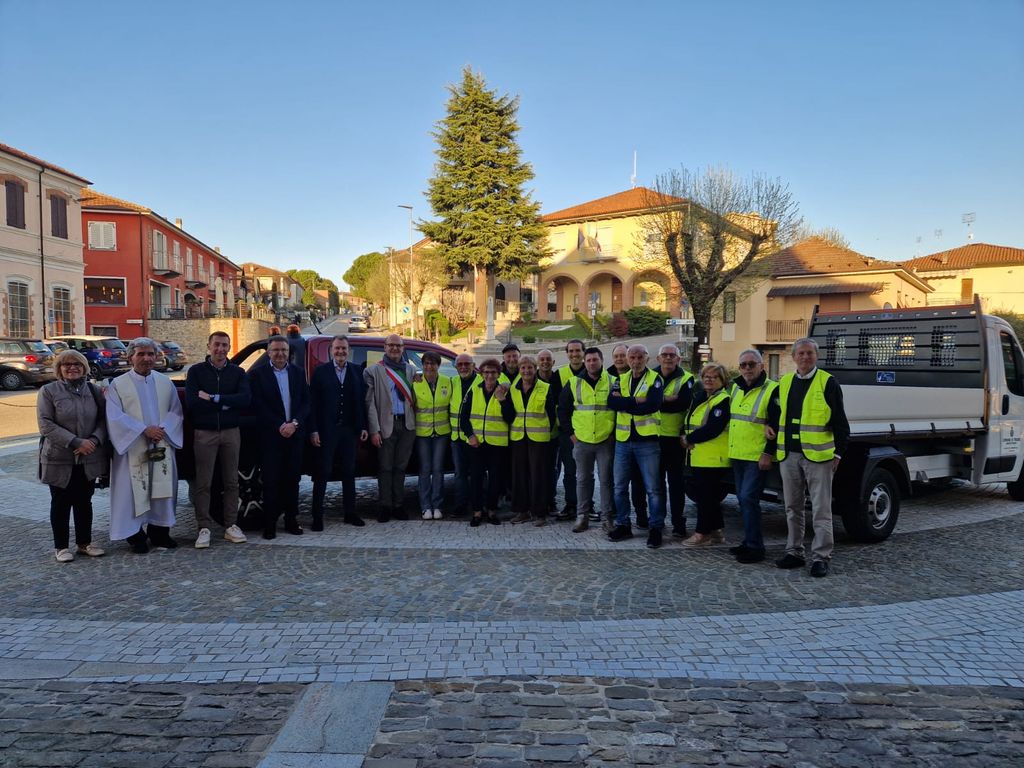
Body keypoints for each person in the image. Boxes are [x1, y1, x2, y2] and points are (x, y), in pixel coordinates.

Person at [766, 338, 850, 578]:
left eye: (809, 353)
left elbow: (840, 422)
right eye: (801, 353)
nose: (805, 357)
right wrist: (768, 426)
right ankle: (794, 552)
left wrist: (838, 453)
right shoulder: (784, 382)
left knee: (821, 509)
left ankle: (821, 557)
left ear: (816, 356)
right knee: (792, 507)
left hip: (818, 457)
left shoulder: (828, 382)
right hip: (788, 454)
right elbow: (775, 412)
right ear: (793, 357)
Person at [106, 337, 183, 554]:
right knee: (131, 493)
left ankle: (160, 533)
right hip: (132, 447)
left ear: (156, 356)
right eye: (141, 354)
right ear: (130, 357)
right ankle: (135, 535)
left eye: (150, 354)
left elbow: (175, 412)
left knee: (162, 489)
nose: (147, 358)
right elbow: (114, 416)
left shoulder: (165, 383)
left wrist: (162, 429)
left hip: (161, 443)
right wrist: (143, 430)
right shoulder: (118, 385)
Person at [37, 349, 108, 563]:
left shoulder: (94, 391)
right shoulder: (48, 391)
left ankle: (84, 543)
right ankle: (61, 547)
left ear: (84, 367)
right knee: (61, 502)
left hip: (88, 456)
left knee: (84, 501)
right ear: (59, 369)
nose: (72, 368)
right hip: (60, 457)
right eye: (66, 364)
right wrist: (76, 442)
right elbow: (45, 424)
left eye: (76, 364)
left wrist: (93, 440)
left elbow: (104, 420)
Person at [185, 331, 252, 549]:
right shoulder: (196, 372)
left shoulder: (238, 372)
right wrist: (227, 404)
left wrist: (214, 399)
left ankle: (231, 525)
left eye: (224, 345)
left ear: (229, 348)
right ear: (209, 346)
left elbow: (244, 400)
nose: (220, 349)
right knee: (203, 482)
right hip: (205, 433)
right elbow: (193, 403)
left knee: (231, 481)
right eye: (217, 345)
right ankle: (203, 527)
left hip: (231, 432)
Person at [250, 334, 310, 539]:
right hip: (270, 436)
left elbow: (306, 402)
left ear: (288, 352)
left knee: (293, 480)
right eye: (275, 350)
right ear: (268, 352)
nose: (280, 354)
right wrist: (279, 425)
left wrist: (294, 423)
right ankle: (270, 524)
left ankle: (291, 520)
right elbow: (258, 405)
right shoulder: (257, 375)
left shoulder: (298, 373)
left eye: (284, 350)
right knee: (271, 481)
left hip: (294, 435)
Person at [607, 345, 666, 547]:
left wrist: (625, 404)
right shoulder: (620, 379)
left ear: (647, 359)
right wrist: (635, 401)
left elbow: (653, 405)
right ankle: (623, 525)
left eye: (640, 357)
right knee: (619, 487)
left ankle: (655, 528)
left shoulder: (655, 379)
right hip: (623, 441)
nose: (636, 360)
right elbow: (612, 403)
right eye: (632, 357)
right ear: (627, 359)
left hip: (647, 441)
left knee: (653, 489)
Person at [309, 335, 368, 531]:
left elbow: (361, 402)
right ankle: (317, 516)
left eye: (344, 348)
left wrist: (363, 426)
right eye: (337, 348)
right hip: (327, 431)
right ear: (331, 350)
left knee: (349, 472)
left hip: (349, 431)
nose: (340, 351)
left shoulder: (357, 371)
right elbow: (313, 404)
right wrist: (314, 430)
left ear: (348, 350)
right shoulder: (321, 372)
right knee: (323, 472)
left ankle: (350, 513)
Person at [558, 347, 614, 533]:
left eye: (595, 360)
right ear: (585, 362)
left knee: (606, 480)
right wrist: (572, 435)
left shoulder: (613, 382)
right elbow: (563, 411)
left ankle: (607, 518)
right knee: (582, 480)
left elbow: (619, 410)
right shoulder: (574, 382)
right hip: (582, 440)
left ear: (601, 360)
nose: (591, 363)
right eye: (588, 360)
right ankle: (582, 517)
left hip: (605, 440)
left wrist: (612, 434)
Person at [728, 349, 777, 564]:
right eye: (743, 365)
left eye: (751, 364)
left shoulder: (772, 389)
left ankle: (756, 547)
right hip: (737, 453)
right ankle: (748, 541)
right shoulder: (736, 388)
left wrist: (768, 453)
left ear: (761, 366)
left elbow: (775, 425)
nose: (747, 368)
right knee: (743, 500)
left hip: (757, 456)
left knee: (749, 498)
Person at [365, 334, 417, 522]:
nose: (395, 348)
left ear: (403, 348)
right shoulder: (373, 370)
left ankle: (398, 506)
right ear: (385, 347)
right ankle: (385, 506)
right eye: (391, 345)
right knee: (385, 468)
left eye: (398, 345)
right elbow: (370, 403)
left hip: (407, 425)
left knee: (401, 468)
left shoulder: (412, 370)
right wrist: (374, 430)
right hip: (386, 425)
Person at [681, 362, 732, 547]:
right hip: (700, 456)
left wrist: (688, 438)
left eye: (714, 377)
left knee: (705, 498)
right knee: (708, 497)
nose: (709, 380)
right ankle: (717, 532)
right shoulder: (702, 397)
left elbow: (713, 428)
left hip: (714, 457)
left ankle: (702, 534)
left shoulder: (722, 400)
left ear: (723, 380)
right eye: (706, 376)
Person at [460, 358, 513, 526]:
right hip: (477, 443)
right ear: (481, 374)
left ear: (498, 374)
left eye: (493, 372)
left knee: (495, 479)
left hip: (497, 444)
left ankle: (491, 511)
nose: (490, 376)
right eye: (486, 372)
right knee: (476, 478)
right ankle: (477, 511)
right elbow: (463, 417)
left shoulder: (505, 392)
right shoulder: (474, 390)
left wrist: (502, 400)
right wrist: (470, 436)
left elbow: (510, 417)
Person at [508, 356, 557, 525]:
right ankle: (522, 511)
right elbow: (510, 412)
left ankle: (540, 513)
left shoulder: (545, 387)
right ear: (519, 370)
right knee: (519, 475)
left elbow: (551, 414)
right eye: (523, 368)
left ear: (535, 369)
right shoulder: (513, 388)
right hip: (518, 436)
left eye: (529, 367)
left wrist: (545, 430)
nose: (526, 371)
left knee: (539, 476)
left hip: (539, 438)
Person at [655, 343, 695, 539]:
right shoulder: (650, 375)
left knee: (676, 484)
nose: (668, 358)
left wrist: (657, 400)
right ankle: (658, 520)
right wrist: (666, 399)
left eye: (672, 355)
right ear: (658, 358)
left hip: (675, 440)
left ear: (679, 359)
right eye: (665, 354)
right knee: (656, 485)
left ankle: (678, 523)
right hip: (653, 438)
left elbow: (683, 403)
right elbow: (645, 402)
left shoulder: (687, 378)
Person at [412, 351, 452, 520]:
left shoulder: (447, 381)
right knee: (425, 469)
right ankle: (425, 506)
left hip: (442, 433)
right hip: (423, 433)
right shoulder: (416, 382)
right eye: (426, 363)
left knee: (438, 469)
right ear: (422, 365)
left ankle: (437, 505)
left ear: (438, 365)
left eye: (433, 363)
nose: (429, 367)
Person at [553, 339, 586, 521]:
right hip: (568, 432)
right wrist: (569, 431)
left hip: (589, 431)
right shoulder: (560, 374)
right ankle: (571, 504)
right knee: (570, 471)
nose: (574, 354)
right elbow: (558, 405)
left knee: (586, 471)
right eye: (571, 351)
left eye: (577, 351)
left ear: (583, 352)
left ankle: (587, 505)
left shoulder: (593, 370)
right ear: (567, 354)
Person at [448, 353, 479, 517]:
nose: (463, 367)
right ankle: (460, 505)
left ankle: (478, 506)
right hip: (456, 437)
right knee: (459, 473)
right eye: (460, 364)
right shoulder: (452, 382)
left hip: (475, 437)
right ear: (455, 367)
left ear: (473, 365)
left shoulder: (481, 381)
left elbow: (501, 378)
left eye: (467, 364)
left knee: (477, 473)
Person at [536, 349, 560, 517]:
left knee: (552, 469)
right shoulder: (532, 379)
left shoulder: (559, 379)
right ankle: (537, 501)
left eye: (548, 359)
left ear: (553, 362)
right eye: (542, 359)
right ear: (538, 362)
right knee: (537, 469)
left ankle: (550, 501)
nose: (545, 362)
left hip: (554, 433)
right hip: (535, 434)